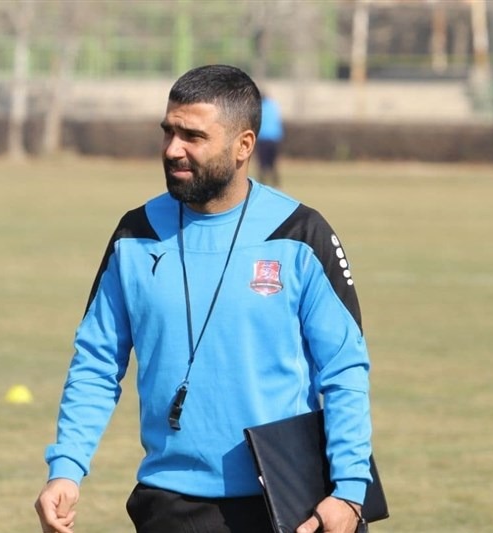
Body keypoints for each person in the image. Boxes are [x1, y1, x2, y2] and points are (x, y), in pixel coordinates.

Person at [35, 64, 373, 533]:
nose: (173, 149)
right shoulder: (136, 234)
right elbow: (96, 361)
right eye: (168, 131)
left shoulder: (299, 233)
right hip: (172, 505)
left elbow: (344, 369)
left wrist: (350, 490)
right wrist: (66, 469)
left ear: (244, 145)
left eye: (193, 136)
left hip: (293, 504)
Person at [256, 93, 283, 187]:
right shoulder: (273, 105)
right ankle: (276, 184)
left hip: (263, 138)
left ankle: (261, 184)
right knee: (273, 163)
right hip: (274, 138)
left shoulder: (260, 107)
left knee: (262, 163)